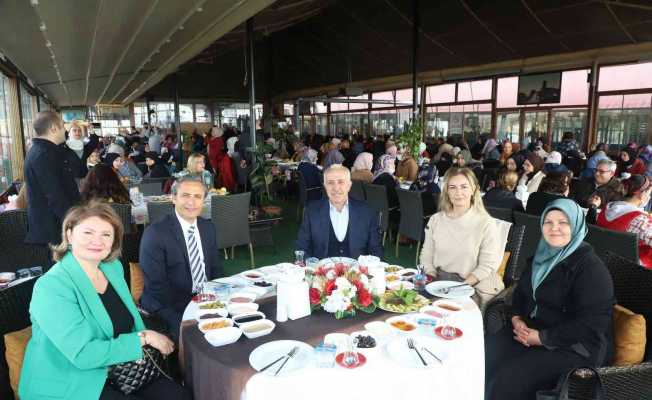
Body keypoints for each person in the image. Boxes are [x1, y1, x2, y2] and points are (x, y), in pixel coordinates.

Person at [18, 202, 189, 400]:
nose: (97, 241)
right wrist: (144, 338)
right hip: (73, 381)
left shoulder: (112, 268)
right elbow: (83, 354)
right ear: (69, 234)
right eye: (88, 233)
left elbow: (130, 319)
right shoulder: (52, 287)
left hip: (124, 368)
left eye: (106, 235)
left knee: (180, 395)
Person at [485, 199, 614, 400]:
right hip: (533, 330)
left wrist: (542, 338)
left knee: (509, 378)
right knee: (484, 355)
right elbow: (520, 294)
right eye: (548, 222)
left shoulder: (590, 269)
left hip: (574, 347)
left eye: (563, 222)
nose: (555, 228)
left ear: (576, 225)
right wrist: (516, 318)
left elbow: (592, 323)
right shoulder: (541, 256)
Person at [139, 175, 223, 339]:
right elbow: (156, 286)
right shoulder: (155, 233)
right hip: (168, 303)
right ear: (173, 198)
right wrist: (193, 309)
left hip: (204, 297)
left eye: (197, 197)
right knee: (196, 337)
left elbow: (215, 268)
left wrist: (217, 298)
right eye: (185, 195)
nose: (191, 202)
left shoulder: (207, 227)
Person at [420, 167, 504, 307]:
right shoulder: (436, 220)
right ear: (446, 191)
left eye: (464, 187)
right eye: (452, 187)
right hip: (438, 281)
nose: (458, 193)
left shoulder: (486, 223)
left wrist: (458, 288)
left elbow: (487, 266)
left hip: (471, 285)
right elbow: (426, 255)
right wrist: (432, 280)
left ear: (473, 190)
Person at [296, 164, 383, 259]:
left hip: (357, 271)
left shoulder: (367, 212)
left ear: (349, 185)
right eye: (330, 183)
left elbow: (376, 251)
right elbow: (301, 248)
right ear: (324, 186)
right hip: (321, 271)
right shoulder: (312, 211)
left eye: (341, 182)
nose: (336, 188)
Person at [23, 111, 81, 252]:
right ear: (54, 128)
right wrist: (73, 223)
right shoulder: (43, 155)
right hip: (54, 229)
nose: (65, 130)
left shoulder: (46, 151)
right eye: (62, 126)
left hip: (56, 225)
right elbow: (55, 196)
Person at [597, 175, 652, 268]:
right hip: (634, 271)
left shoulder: (607, 208)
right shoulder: (641, 221)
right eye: (649, 193)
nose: (649, 197)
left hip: (603, 261)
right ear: (641, 194)